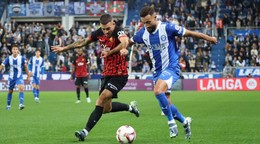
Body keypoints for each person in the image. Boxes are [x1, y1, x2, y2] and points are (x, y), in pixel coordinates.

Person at [129, 6, 217, 140]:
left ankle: (171, 124)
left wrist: (209, 38)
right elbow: (129, 42)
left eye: (148, 22)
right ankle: (185, 122)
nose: (146, 25)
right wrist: (123, 48)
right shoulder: (143, 33)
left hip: (171, 68)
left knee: (158, 92)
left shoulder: (168, 28)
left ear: (155, 17)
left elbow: (190, 33)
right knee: (167, 105)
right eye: (144, 22)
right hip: (157, 72)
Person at [51, 13, 140, 142]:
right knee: (105, 109)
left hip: (120, 75)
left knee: (100, 99)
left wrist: (112, 51)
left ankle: (84, 132)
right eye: (103, 29)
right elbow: (83, 42)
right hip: (106, 74)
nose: (105, 31)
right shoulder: (99, 33)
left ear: (113, 24)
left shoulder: (119, 31)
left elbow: (125, 42)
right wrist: (64, 48)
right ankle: (130, 107)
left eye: (108, 28)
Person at [0, 44, 30, 110]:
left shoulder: (22, 58)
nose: (15, 50)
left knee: (21, 88)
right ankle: (8, 105)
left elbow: (26, 67)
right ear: (12, 50)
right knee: (10, 91)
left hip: (19, 76)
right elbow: (2, 66)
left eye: (16, 49)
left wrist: (28, 76)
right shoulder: (8, 58)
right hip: (11, 77)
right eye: (14, 49)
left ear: (18, 50)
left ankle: (21, 104)